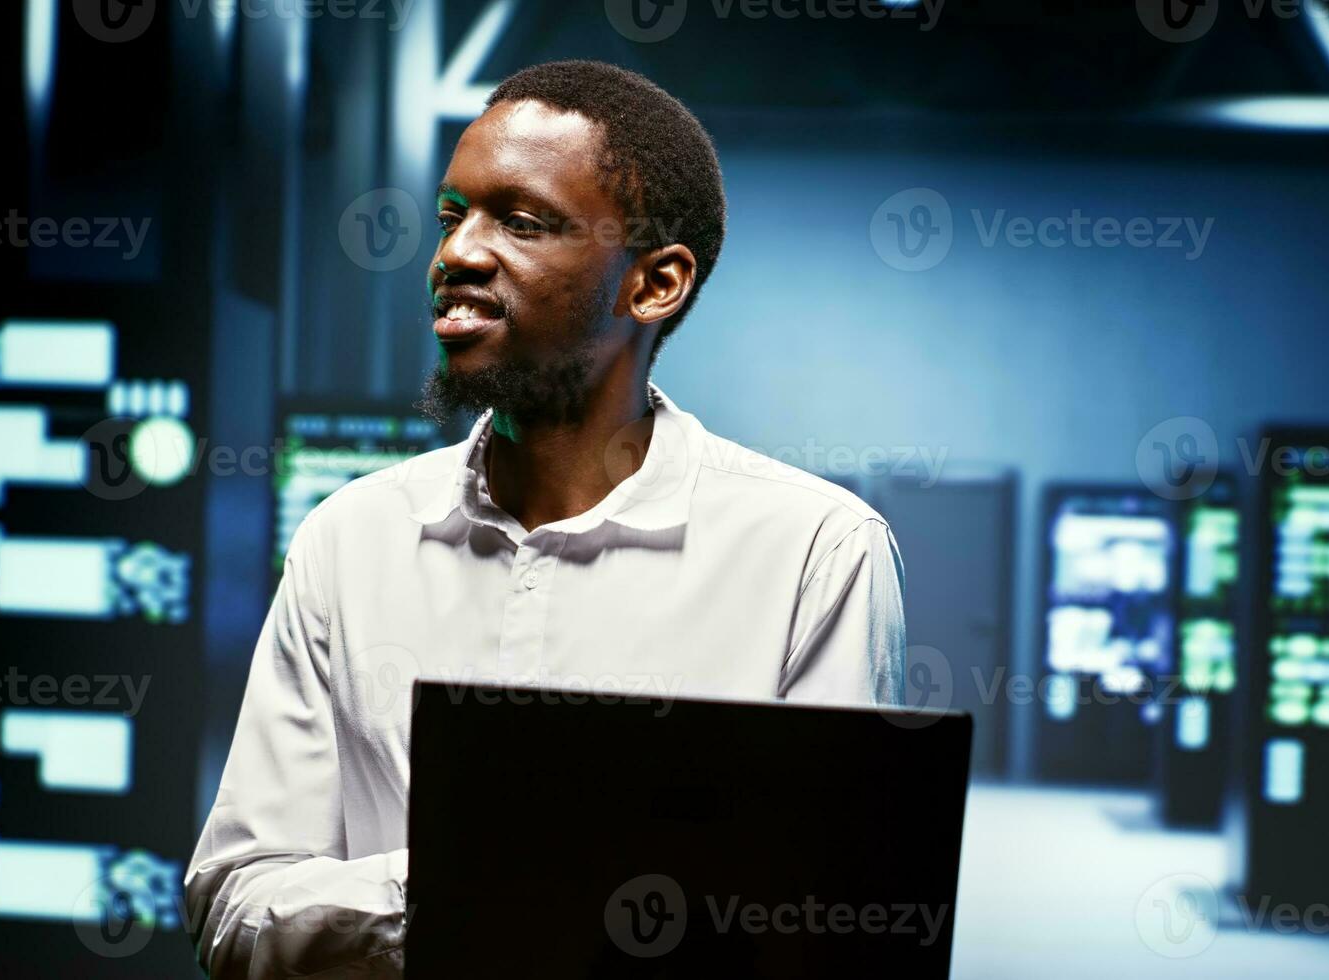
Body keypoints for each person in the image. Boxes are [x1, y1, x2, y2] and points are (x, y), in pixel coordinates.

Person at [186, 59, 906, 979]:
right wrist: (475, 890)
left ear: (652, 285)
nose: (456, 254)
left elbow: (838, 929)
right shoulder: (349, 538)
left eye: (521, 222)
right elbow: (235, 900)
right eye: (452, 216)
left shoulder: (815, 553)